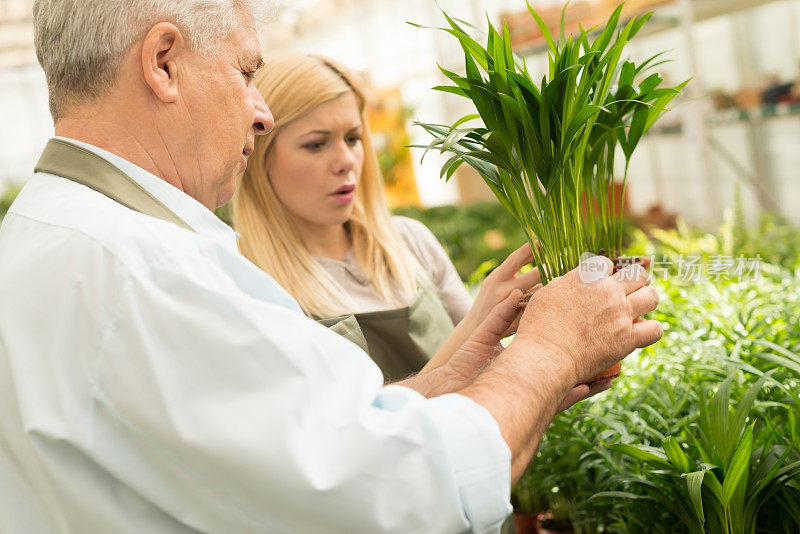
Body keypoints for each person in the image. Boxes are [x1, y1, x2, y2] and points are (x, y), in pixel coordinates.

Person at [0, 1, 663, 533]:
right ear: (164, 63)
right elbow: (406, 495)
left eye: (351, 138)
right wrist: (551, 349)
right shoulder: (148, 272)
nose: (259, 113)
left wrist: (442, 381)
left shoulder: (50, 233)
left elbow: (279, 453)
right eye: (246, 73)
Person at [234, 54, 542, 382]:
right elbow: (356, 427)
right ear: (260, 154)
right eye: (316, 144)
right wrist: (477, 324)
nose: (345, 161)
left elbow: (492, 374)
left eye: (353, 138)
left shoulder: (410, 242)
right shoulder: (251, 286)